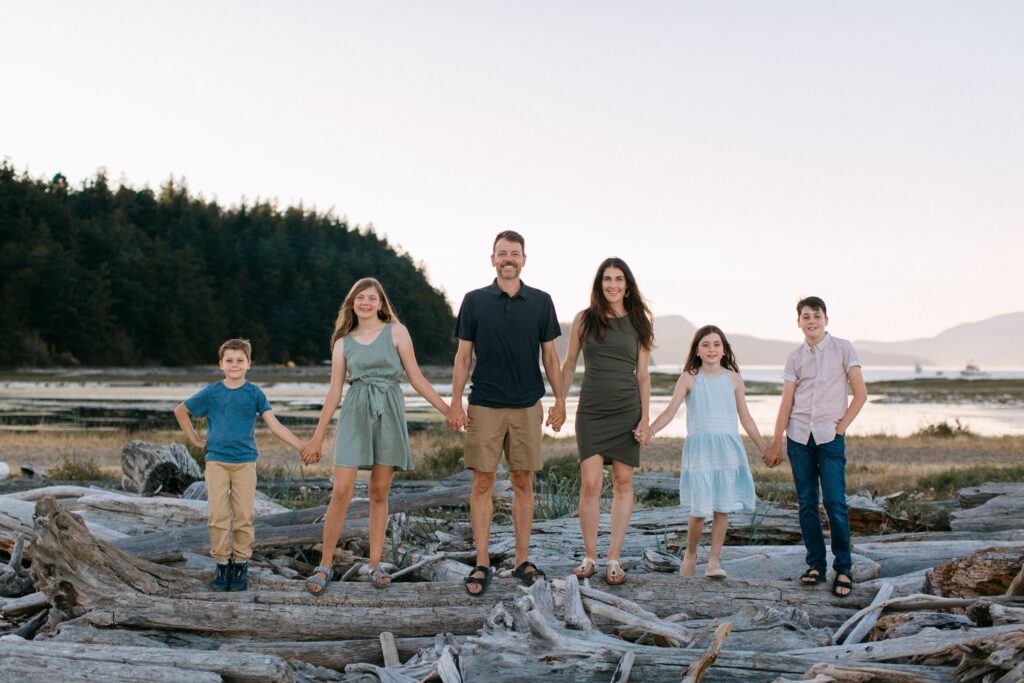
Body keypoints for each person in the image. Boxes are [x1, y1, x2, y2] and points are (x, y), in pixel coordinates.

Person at [301, 278, 450, 594]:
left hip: (389, 409)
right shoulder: (344, 342)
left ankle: (375, 563)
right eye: (360, 298)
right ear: (352, 303)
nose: (365, 303)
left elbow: (417, 378)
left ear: (381, 303)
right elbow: (333, 392)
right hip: (355, 411)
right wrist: (317, 437)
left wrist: (447, 409)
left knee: (379, 492)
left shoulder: (397, 331)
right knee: (341, 491)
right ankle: (324, 564)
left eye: (372, 298)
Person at [446, 230, 566, 596]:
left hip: (528, 406)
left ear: (524, 259)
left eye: (514, 253)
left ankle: (521, 561)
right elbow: (464, 356)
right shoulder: (474, 301)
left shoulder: (541, 302)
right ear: (493, 259)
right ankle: (481, 563)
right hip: (483, 405)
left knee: (523, 483)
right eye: (502, 253)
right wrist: (454, 401)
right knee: (482, 483)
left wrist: (560, 401)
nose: (508, 259)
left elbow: (550, 356)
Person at [174, 338, 308, 591]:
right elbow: (181, 410)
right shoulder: (213, 392)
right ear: (221, 364)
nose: (234, 365)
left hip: (245, 463)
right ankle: (222, 562)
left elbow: (274, 424)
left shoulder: (254, 393)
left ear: (248, 364)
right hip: (216, 462)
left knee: (244, 516)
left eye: (240, 360)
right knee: (218, 516)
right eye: (229, 361)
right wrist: (194, 439)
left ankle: (241, 563)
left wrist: (301, 446)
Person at [764, 297, 867, 597]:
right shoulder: (794, 357)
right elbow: (786, 403)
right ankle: (816, 565)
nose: (811, 321)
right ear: (798, 322)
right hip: (798, 437)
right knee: (807, 503)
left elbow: (860, 394)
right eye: (805, 316)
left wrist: (840, 428)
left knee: (835, 502)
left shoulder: (844, 349)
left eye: (817, 316)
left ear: (826, 319)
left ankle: (844, 568)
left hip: (829, 437)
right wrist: (776, 441)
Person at [560, 257, 653, 585]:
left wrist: (645, 419)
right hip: (591, 411)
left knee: (623, 483)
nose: (612, 284)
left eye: (618, 279)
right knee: (590, 484)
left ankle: (613, 557)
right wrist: (558, 401)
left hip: (626, 410)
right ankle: (590, 555)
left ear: (627, 284)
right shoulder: (584, 320)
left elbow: (642, 376)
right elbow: (569, 363)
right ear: (600, 285)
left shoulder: (640, 321)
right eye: (607, 279)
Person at [647, 325, 766, 579]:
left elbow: (746, 418)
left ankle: (714, 561)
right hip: (700, 449)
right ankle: (691, 553)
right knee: (699, 511)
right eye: (706, 345)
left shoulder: (733, 378)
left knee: (722, 509)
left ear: (724, 350)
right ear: (697, 350)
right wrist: (649, 431)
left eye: (716, 344)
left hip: (727, 449)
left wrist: (765, 448)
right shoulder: (689, 377)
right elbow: (670, 412)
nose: (711, 349)